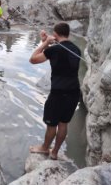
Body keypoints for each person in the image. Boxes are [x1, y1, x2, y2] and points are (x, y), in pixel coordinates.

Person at [29, 22, 81, 160]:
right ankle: (55, 152)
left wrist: (45, 43)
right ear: (68, 33)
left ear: (55, 34)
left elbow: (33, 59)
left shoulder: (54, 50)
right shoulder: (76, 49)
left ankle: (45, 148)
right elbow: (59, 56)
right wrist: (46, 42)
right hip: (74, 92)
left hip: (59, 93)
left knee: (52, 124)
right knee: (63, 123)